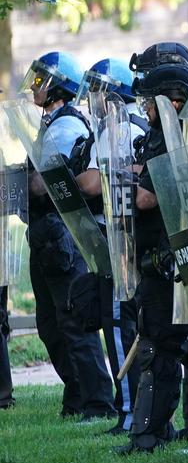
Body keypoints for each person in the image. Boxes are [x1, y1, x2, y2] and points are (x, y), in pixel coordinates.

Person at [21, 51, 116, 422]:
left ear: (58, 86)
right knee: (51, 324)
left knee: (73, 322)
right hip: (47, 234)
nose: (34, 86)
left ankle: (97, 402)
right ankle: (78, 396)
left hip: (63, 234)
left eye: (41, 80)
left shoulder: (65, 127)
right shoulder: (52, 123)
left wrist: (21, 184)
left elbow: (47, 184)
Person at [117, 54, 188, 454]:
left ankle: (148, 435)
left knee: (159, 346)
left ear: (174, 100)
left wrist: (120, 184)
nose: (145, 108)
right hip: (162, 255)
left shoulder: (173, 135)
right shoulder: (161, 134)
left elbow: (148, 197)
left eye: (151, 101)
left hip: (169, 258)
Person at [71, 57, 150, 436]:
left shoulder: (121, 127)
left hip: (121, 237)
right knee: (119, 323)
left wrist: (86, 177)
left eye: (100, 90)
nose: (93, 99)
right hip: (117, 236)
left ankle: (132, 412)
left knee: (119, 325)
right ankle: (133, 408)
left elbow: (90, 183)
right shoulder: (116, 126)